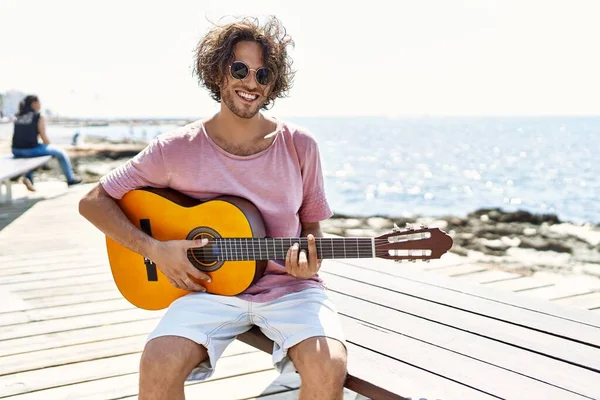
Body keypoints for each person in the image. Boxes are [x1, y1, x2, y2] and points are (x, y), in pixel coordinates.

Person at [78, 16, 347, 400]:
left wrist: (311, 258)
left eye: (263, 74)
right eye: (239, 69)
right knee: (157, 361)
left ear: (273, 84)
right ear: (218, 71)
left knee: (329, 365)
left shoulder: (300, 145)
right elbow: (93, 202)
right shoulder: (174, 149)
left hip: (291, 288)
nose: (251, 82)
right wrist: (155, 250)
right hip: (207, 291)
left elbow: (311, 229)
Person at [11, 95, 82, 190]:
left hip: (16, 150)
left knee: (30, 155)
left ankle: (29, 179)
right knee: (61, 153)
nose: (41, 104)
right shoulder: (38, 116)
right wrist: (49, 146)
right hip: (29, 150)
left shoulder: (18, 115)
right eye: (39, 102)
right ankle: (71, 179)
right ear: (34, 103)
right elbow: (44, 137)